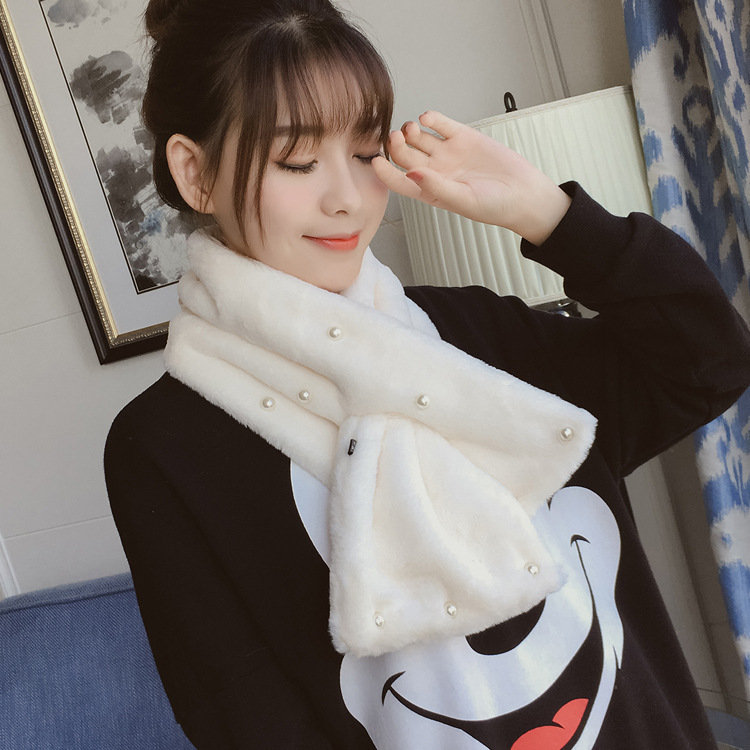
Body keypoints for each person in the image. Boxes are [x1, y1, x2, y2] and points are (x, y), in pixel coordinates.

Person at [104, 0, 750, 747]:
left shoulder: (478, 333)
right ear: (196, 173)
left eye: (365, 151)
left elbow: (709, 360)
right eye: (298, 162)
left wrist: (550, 214)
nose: (348, 198)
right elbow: (248, 724)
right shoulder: (165, 449)